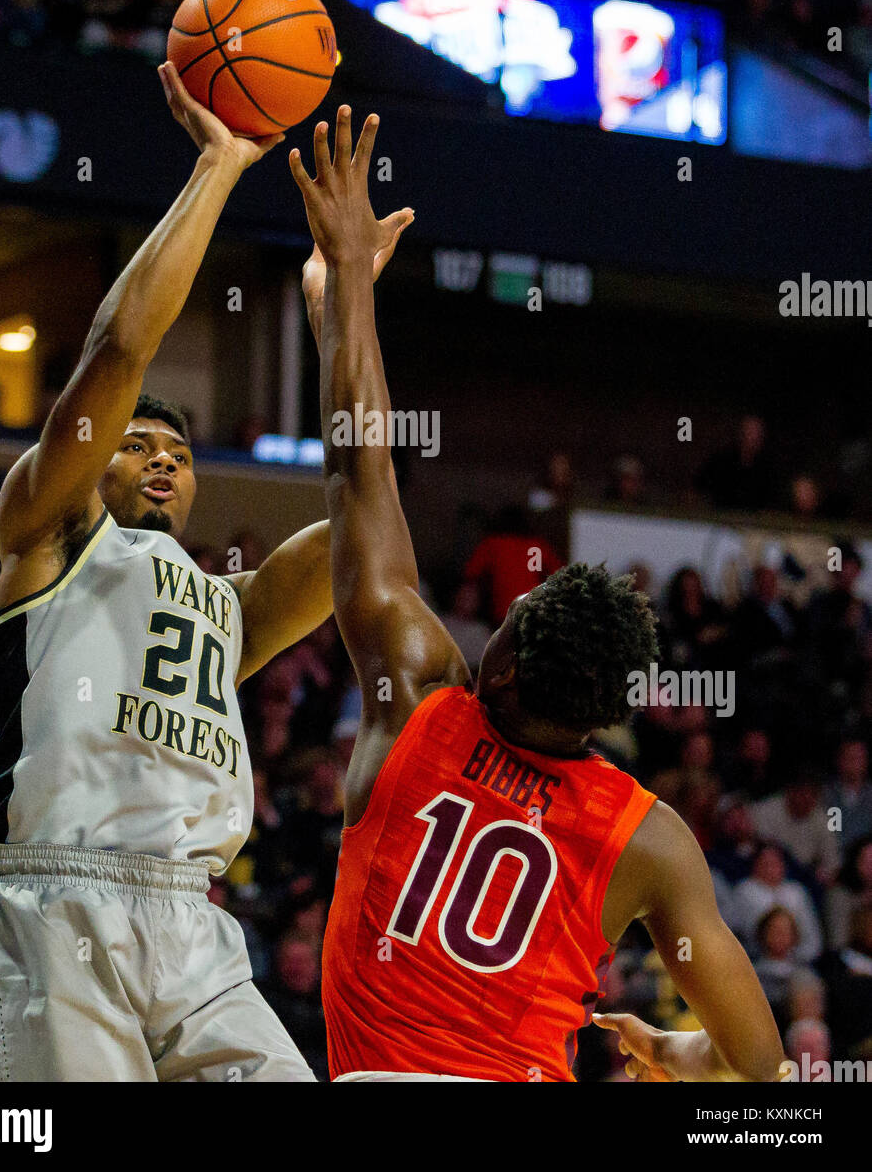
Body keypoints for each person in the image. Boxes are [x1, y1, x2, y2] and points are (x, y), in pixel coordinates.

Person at [289, 106, 783, 1083]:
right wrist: (681, 1048)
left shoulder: (418, 697)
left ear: (503, 660)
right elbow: (759, 1064)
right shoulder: (648, 834)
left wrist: (346, 284)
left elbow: (358, 466)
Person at [0, 63, 404, 1083]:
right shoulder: (49, 534)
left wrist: (347, 310)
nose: (163, 458)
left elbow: (364, 502)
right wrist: (217, 165)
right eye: (136, 444)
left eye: (182, 451)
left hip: (194, 924)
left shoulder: (225, 610)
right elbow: (118, 350)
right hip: (54, 903)